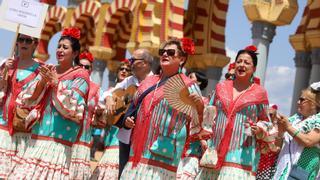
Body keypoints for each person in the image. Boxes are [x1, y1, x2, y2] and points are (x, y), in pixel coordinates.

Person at [8, 27, 90, 179]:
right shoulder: (49, 69)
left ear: (75, 53)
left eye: (65, 47)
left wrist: (56, 83)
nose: (59, 50)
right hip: (38, 135)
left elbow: (73, 108)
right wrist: (42, 83)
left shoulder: (81, 75)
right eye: (58, 46)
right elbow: (28, 98)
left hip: (59, 140)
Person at [119, 38, 205, 179]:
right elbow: (133, 107)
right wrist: (128, 120)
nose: (165, 54)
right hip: (137, 149)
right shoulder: (149, 81)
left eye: (170, 52)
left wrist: (200, 108)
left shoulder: (188, 85)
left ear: (182, 59)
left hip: (163, 154)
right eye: (162, 52)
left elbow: (200, 126)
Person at [196, 45, 273, 179]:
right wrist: (204, 139)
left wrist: (260, 129)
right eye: (239, 61)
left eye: (246, 62)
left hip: (241, 154)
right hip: (214, 150)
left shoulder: (260, 93)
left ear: (254, 69)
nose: (242, 65)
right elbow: (209, 114)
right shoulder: (221, 87)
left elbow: (267, 121)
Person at [105, 49, 154, 176]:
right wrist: (109, 98)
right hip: (126, 135)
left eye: (132, 60)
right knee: (123, 172)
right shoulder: (129, 80)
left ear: (145, 63)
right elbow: (107, 93)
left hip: (145, 137)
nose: (129, 63)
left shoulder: (156, 82)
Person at [0, 34, 41, 178]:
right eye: (21, 39)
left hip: (23, 126)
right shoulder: (7, 64)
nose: (24, 43)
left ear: (35, 44)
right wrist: (4, 71)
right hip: (2, 123)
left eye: (28, 40)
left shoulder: (40, 69)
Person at [91, 61, 132, 179]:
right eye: (121, 69)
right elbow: (102, 120)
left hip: (122, 139)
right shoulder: (108, 91)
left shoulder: (133, 93)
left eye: (127, 69)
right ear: (117, 72)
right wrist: (100, 113)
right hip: (110, 138)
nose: (123, 71)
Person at [273, 83, 320, 180]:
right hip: (283, 169)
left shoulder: (318, 120)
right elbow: (277, 147)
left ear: (313, 103)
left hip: (302, 171)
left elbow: (308, 141)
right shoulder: (294, 120)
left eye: (302, 100)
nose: (298, 102)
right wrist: (280, 131)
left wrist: (288, 127)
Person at [69, 50, 101, 179]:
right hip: (68, 134)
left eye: (86, 67)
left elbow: (98, 117)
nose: (83, 69)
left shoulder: (97, 90)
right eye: (80, 66)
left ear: (91, 70)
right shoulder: (69, 83)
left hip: (84, 137)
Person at [256, 104, 281, 180]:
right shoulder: (260, 125)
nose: (269, 117)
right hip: (257, 160)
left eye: (271, 115)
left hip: (270, 163)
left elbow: (277, 148)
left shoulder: (278, 128)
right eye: (267, 114)